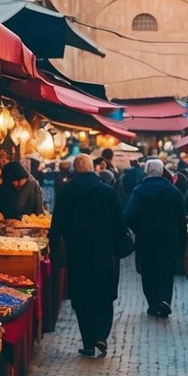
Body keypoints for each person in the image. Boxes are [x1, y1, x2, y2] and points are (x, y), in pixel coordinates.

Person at [49, 153, 131, 357]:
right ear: (93, 168)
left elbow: (56, 224)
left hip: (77, 254)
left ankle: (87, 342)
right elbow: (119, 223)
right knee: (104, 296)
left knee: (81, 298)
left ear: (75, 170)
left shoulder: (68, 191)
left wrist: (56, 251)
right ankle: (101, 336)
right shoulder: (107, 191)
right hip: (105, 253)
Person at [124, 158, 187, 318]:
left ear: (146, 172)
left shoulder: (139, 191)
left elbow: (129, 215)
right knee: (166, 269)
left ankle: (153, 304)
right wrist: (181, 241)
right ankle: (165, 300)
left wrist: (138, 229)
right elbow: (182, 219)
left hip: (146, 238)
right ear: (162, 171)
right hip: (168, 237)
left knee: (148, 270)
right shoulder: (173, 191)